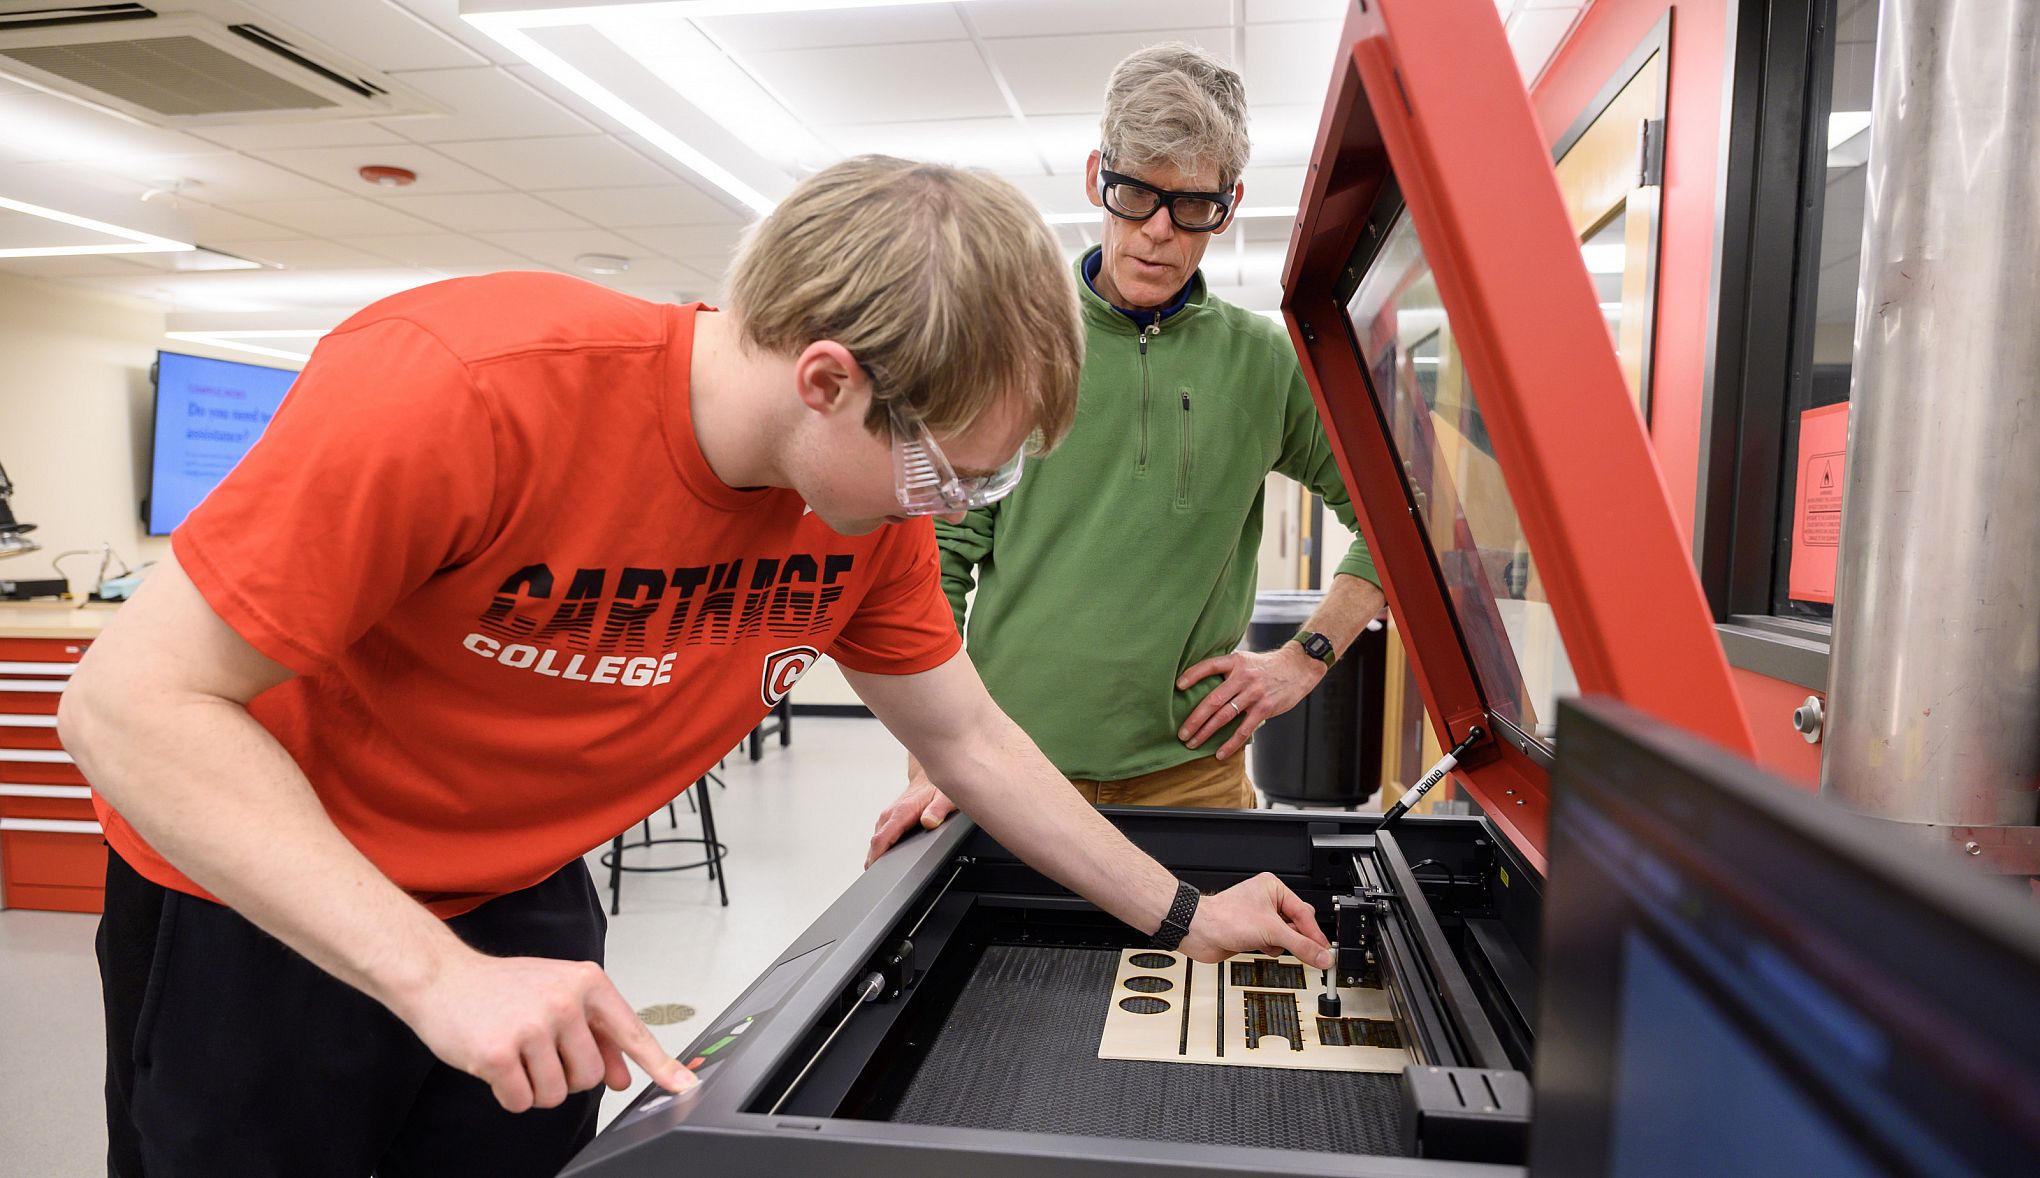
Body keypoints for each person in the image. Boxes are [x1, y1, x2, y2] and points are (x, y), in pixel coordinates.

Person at [62, 155, 1332, 1178]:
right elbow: (129, 702)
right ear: (829, 381)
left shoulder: (863, 522)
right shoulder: (470, 387)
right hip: (265, 901)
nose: (951, 507)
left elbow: (974, 740)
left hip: (518, 893)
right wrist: (434, 975)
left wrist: (1185, 909)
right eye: (957, 471)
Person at [867, 45, 1388, 867]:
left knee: (1206, 982)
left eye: (1191, 206)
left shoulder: (1264, 363)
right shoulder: (1014, 344)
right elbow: (932, 559)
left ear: (1230, 203)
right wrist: (935, 748)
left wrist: (1307, 656)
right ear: (1094, 177)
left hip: (1194, 777)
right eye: (1136, 193)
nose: (1156, 231)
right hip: (1011, 763)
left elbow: (1396, 520)